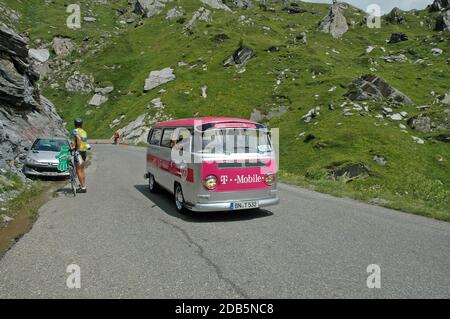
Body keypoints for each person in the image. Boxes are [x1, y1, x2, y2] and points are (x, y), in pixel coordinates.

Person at [72, 118, 88, 193]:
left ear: (75, 124)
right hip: (84, 152)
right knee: (82, 169)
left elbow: (78, 139)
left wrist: (77, 149)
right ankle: (83, 185)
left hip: (79, 152)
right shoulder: (84, 131)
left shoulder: (75, 131)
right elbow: (84, 141)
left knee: (78, 170)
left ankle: (82, 188)